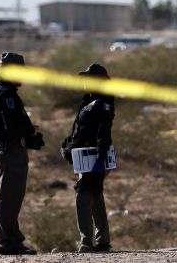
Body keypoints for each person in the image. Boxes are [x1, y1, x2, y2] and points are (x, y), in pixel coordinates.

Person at [0, 52, 40, 255]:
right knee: (10, 198)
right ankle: (8, 244)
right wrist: (31, 130)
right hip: (9, 149)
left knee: (9, 197)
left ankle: (12, 240)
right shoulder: (6, 94)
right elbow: (12, 126)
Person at [69, 63, 114, 253]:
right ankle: (102, 241)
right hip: (83, 155)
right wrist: (69, 144)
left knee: (83, 193)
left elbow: (104, 130)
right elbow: (80, 128)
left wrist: (100, 158)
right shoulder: (88, 100)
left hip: (94, 155)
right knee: (95, 193)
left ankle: (86, 242)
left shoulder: (104, 101)